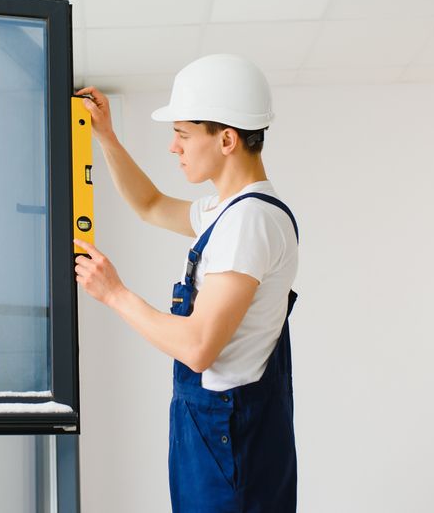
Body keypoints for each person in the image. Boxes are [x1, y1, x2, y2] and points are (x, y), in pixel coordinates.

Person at [73, 54, 299, 512]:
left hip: (229, 445)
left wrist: (114, 294)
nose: (174, 148)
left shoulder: (249, 222)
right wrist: (106, 136)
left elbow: (198, 348)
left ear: (227, 140)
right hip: (218, 434)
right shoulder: (230, 211)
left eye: (182, 134)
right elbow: (150, 204)